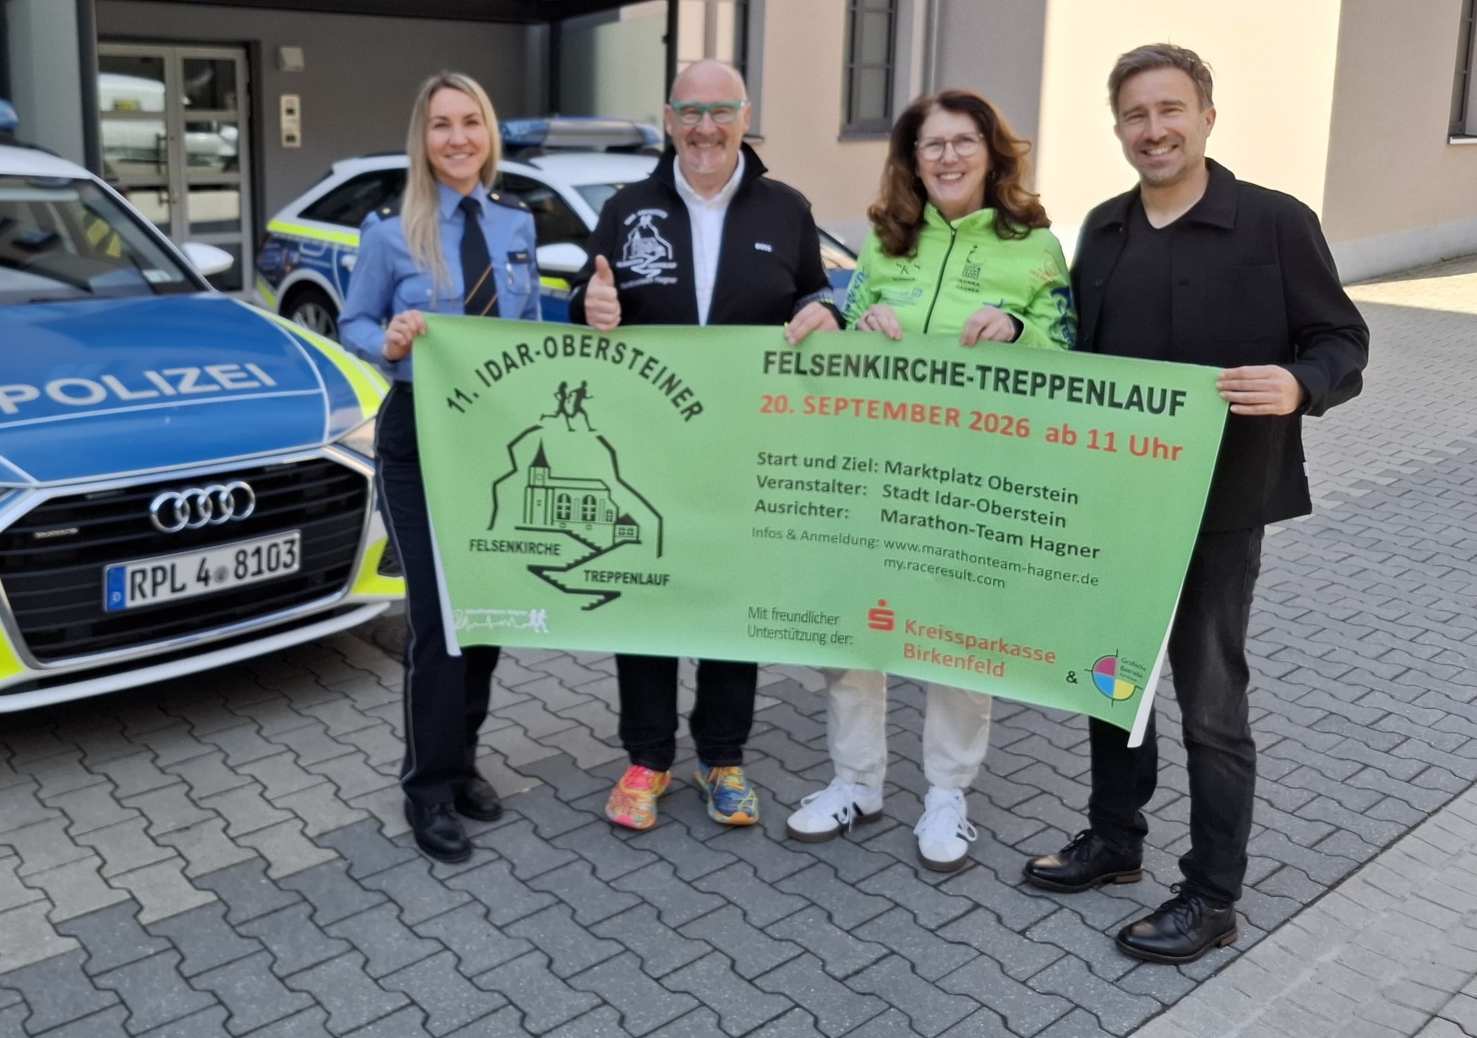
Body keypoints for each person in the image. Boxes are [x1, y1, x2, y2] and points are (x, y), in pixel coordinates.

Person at [1021, 44, 1368, 962]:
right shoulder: (1102, 231)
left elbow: (1342, 339)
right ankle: (1115, 841)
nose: (1154, 130)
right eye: (1135, 115)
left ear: (1208, 116)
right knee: (1109, 677)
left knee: (1211, 699)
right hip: (1115, 509)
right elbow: (1074, 360)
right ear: (1119, 129)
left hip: (1223, 506)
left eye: (1170, 110)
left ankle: (1212, 895)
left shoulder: (1276, 224)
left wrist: (1302, 383)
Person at [784, 90, 1074, 872]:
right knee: (854, 627)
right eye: (930, 145)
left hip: (974, 479)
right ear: (911, 161)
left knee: (959, 636)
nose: (946, 158)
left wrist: (1019, 331)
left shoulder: (1036, 248)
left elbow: (1071, 351)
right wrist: (849, 323)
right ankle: (856, 781)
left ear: (993, 151)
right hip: (877, 469)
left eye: (963, 141)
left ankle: (948, 794)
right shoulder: (884, 244)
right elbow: (852, 325)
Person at [569, 58, 840, 831]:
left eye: (721, 111)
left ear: (745, 118)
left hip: (744, 448)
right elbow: (582, 306)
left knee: (730, 603)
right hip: (645, 447)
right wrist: (587, 306)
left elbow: (815, 293)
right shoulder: (626, 208)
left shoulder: (785, 209)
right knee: (646, 599)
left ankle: (724, 756)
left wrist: (825, 313)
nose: (705, 128)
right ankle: (648, 758)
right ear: (667, 119)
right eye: (690, 111)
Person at [339, 72, 542, 864]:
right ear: (421, 140)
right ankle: (426, 786)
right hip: (418, 436)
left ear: (488, 133)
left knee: (484, 613)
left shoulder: (516, 223)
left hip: (496, 438)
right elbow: (356, 318)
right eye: (441, 126)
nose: (457, 138)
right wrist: (385, 341)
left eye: (471, 123)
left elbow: (525, 327)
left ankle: (463, 766)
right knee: (436, 618)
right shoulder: (392, 232)